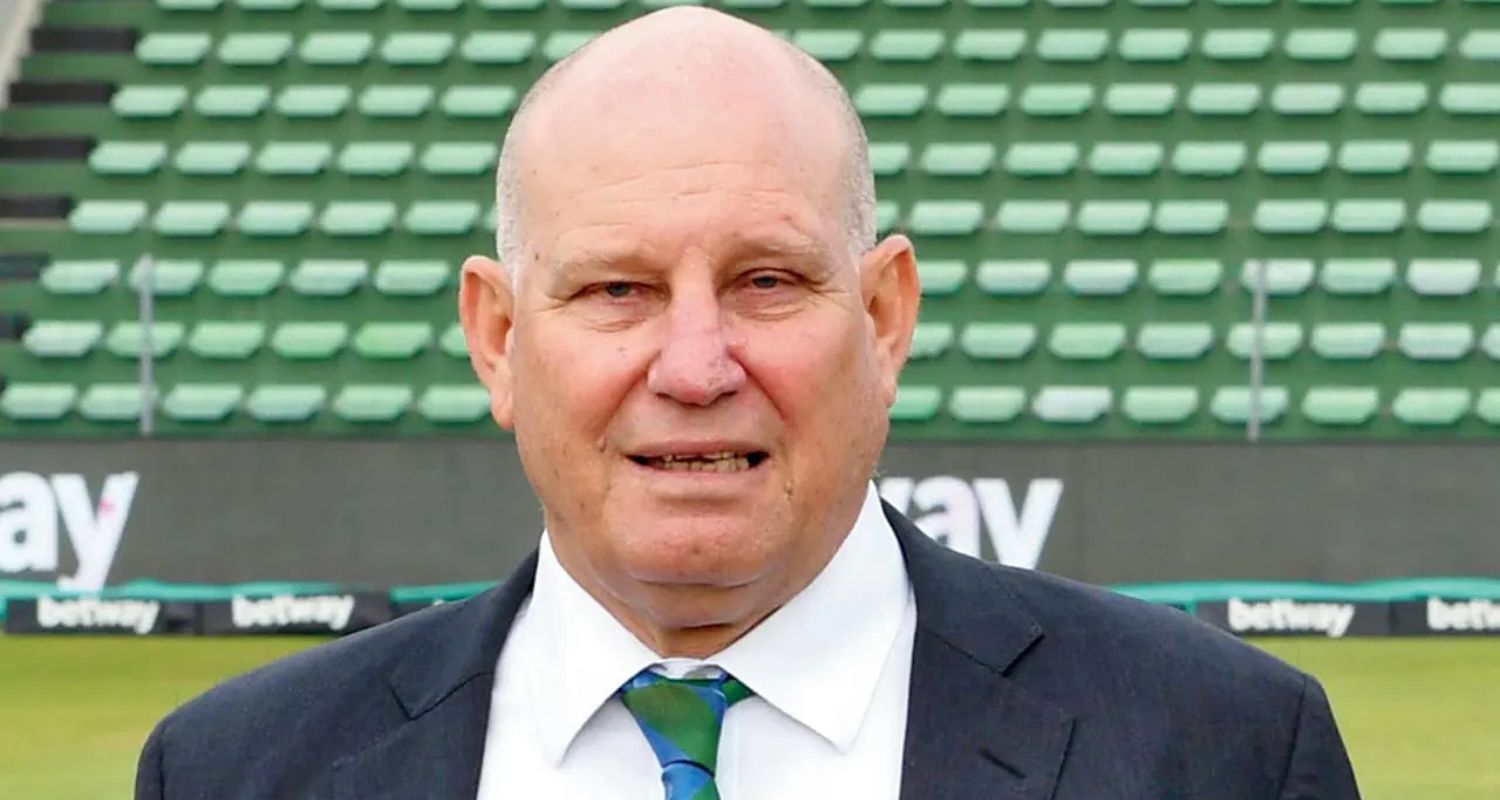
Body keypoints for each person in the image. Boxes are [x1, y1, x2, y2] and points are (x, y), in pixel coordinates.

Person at [135, 8, 1360, 799]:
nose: (695, 364)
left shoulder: (1225, 752)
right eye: (616, 289)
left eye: (767, 280)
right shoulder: (237, 771)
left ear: (884, 317)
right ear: (499, 338)